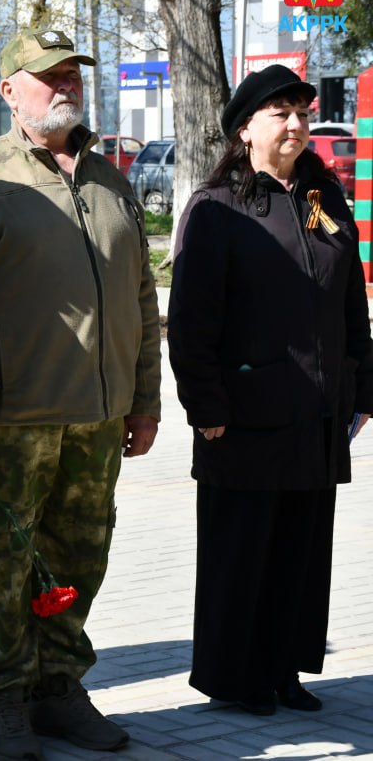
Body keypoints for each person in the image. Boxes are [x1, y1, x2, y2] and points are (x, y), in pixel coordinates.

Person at [0, 27, 162, 761]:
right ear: (8, 91)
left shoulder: (110, 178)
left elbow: (140, 297)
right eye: (48, 76)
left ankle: (59, 687)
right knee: (2, 559)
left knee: (80, 555)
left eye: (72, 75)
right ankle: (6, 695)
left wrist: (145, 398)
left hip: (100, 413)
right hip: (9, 418)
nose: (64, 86)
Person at [167, 64, 373, 716]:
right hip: (245, 413)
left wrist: (363, 387)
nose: (296, 125)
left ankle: (285, 668)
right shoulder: (218, 207)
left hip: (317, 412)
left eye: (302, 113)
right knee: (242, 550)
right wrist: (205, 404)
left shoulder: (323, 200)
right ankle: (238, 677)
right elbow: (191, 320)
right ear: (245, 129)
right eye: (280, 113)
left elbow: (350, 302)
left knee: (301, 549)